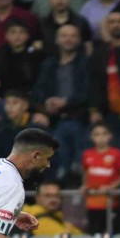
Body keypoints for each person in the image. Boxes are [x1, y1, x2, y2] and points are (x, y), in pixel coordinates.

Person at [32, 24, 91, 182]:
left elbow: (90, 91)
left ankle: (74, 174)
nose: (68, 39)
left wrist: (66, 102)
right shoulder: (48, 64)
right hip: (54, 119)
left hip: (80, 117)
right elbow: (38, 90)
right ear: (57, 40)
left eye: (72, 35)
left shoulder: (86, 64)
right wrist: (47, 102)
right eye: (64, 35)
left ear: (79, 40)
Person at [89, 11, 120, 161]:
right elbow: (94, 83)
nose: (116, 25)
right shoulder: (100, 52)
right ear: (106, 26)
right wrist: (94, 110)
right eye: (112, 22)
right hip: (109, 112)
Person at [80, 122, 120, 234]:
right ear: (92, 137)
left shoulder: (117, 153)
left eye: (104, 134)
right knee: (94, 234)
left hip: (111, 202)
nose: (101, 137)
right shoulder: (87, 154)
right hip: (92, 203)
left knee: (115, 234)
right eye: (97, 134)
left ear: (110, 136)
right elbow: (85, 173)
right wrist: (84, 185)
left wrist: (111, 187)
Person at [0, 18, 44, 94]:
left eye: (21, 32)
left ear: (27, 36)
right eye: (13, 32)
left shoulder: (36, 55)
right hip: (4, 96)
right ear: (6, 36)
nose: (17, 36)